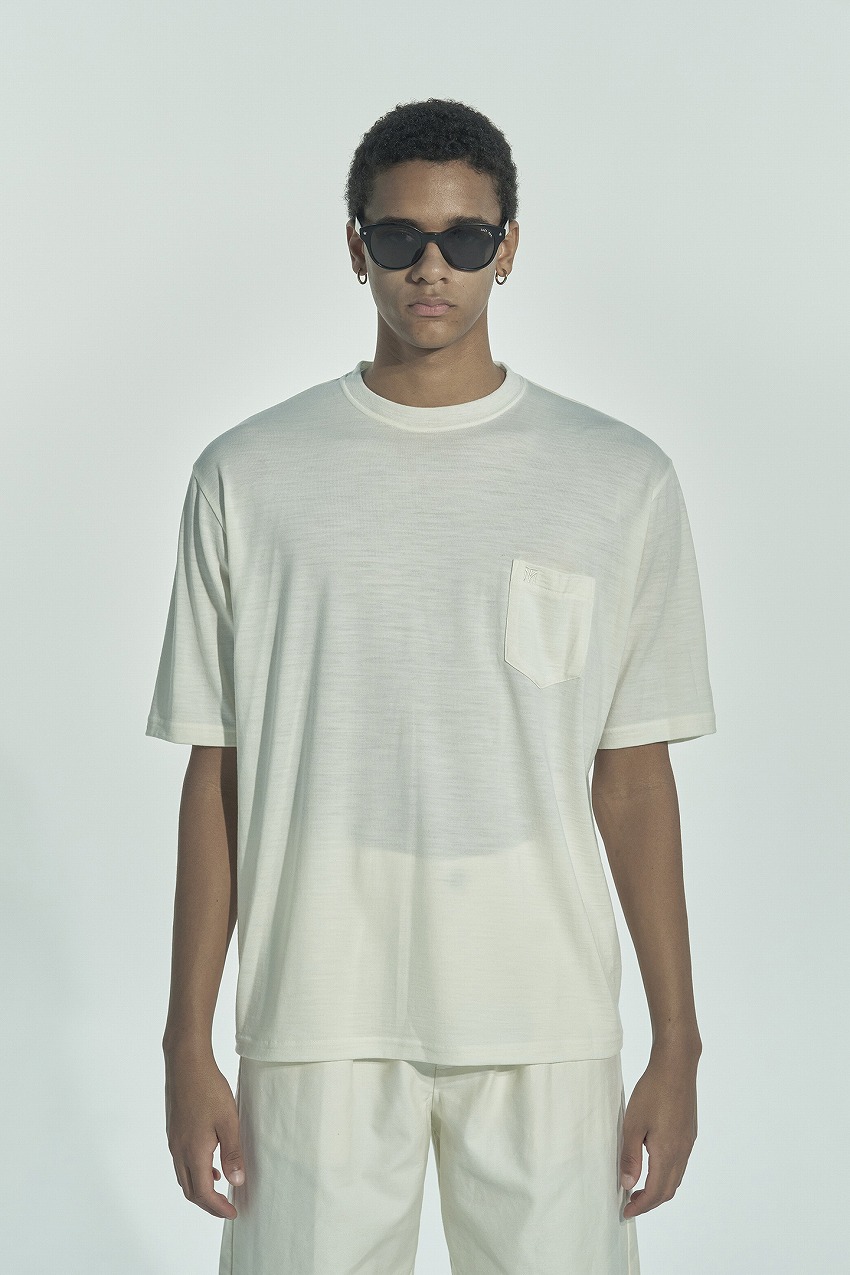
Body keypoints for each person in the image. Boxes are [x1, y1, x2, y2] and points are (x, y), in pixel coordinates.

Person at [148, 97, 716, 1275]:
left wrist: (678, 1043)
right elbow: (221, 773)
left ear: (508, 248)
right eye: (399, 235)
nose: (430, 267)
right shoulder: (249, 476)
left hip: (543, 1011)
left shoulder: (615, 480)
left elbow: (630, 778)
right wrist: (183, 1044)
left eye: (464, 237)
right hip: (315, 1009)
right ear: (354, 245)